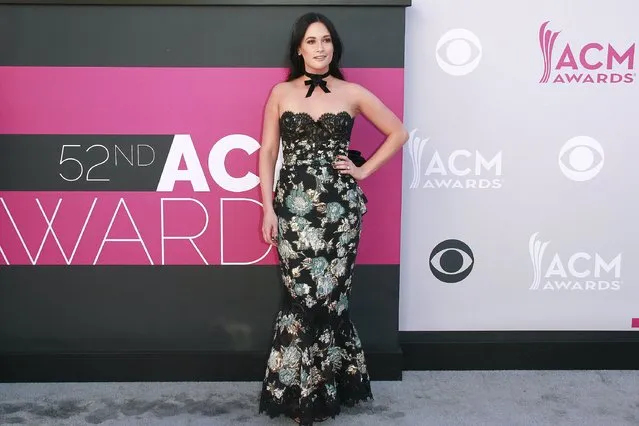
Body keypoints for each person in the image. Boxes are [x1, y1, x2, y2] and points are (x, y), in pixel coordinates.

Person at [257, 12, 408, 425]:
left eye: (326, 40)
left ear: (334, 46)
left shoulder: (353, 92)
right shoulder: (281, 93)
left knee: (331, 297)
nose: (320, 48)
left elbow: (398, 132)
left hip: (340, 213)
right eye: (312, 41)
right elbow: (268, 152)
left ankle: (325, 392)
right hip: (292, 210)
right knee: (300, 297)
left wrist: (361, 170)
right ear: (299, 48)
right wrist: (269, 208)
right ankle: (299, 391)